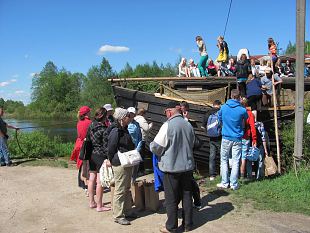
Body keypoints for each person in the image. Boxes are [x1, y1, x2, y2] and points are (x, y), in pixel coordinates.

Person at [150, 101, 195, 233]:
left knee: (171, 198)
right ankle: (188, 225)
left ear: (169, 111)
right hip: (187, 167)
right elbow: (192, 143)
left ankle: (171, 227)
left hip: (172, 168)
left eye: (165, 112)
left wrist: (152, 146)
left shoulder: (167, 125)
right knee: (187, 195)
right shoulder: (188, 124)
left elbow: (157, 147)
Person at [107, 107, 135, 225]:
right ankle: (118, 215)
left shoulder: (124, 129)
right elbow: (110, 148)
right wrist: (111, 160)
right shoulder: (116, 131)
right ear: (123, 118)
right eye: (128, 116)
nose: (130, 118)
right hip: (119, 163)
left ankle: (127, 210)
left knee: (126, 188)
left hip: (126, 161)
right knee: (120, 189)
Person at [217, 89, 248, 190]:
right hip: (237, 137)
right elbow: (246, 118)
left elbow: (219, 118)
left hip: (226, 136)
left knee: (224, 160)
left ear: (230, 96)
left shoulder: (223, 107)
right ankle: (234, 184)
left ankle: (225, 182)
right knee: (235, 161)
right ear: (239, 97)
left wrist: (223, 125)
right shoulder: (242, 110)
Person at [88, 107, 111, 212]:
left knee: (92, 178)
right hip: (100, 156)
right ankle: (99, 206)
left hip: (91, 154)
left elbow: (88, 139)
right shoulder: (103, 129)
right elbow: (106, 146)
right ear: (104, 116)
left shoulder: (91, 125)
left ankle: (92, 202)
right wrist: (109, 158)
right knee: (100, 181)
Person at [69, 106, 92, 193]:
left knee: (81, 163)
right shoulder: (90, 122)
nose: (90, 113)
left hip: (79, 144)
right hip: (86, 144)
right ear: (87, 113)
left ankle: (82, 183)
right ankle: (87, 185)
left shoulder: (79, 122)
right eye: (89, 112)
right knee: (87, 165)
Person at [203, 100, 222, 181]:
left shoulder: (208, 113)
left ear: (213, 105)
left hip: (211, 137)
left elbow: (203, 126)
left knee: (212, 156)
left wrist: (208, 133)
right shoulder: (221, 112)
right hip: (220, 137)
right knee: (223, 156)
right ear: (219, 105)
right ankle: (223, 174)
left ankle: (212, 175)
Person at [239, 98, 257, 179]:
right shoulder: (249, 114)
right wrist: (254, 139)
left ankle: (235, 175)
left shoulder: (237, 112)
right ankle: (243, 175)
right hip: (246, 137)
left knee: (236, 156)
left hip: (236, 136)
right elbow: (253, 127)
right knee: (244, 157)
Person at [134, 108, 153, 175]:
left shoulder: (135, 118)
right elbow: (146, 128)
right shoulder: (142, 119)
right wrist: (151, 125)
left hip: (137, 138)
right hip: (142, 139)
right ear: (143, 113)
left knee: (138, 154)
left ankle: (137, 170)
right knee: (141, 155)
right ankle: (140, 171)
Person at [127, 107, 142, 181]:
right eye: (130, 113)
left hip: (135, 148)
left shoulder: (137, 124)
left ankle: (133, 184)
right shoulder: (125, 124)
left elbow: (140, 137)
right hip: (127, 149)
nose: (131, 115)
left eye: (133, 114)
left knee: (135, 167)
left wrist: (138, 148)